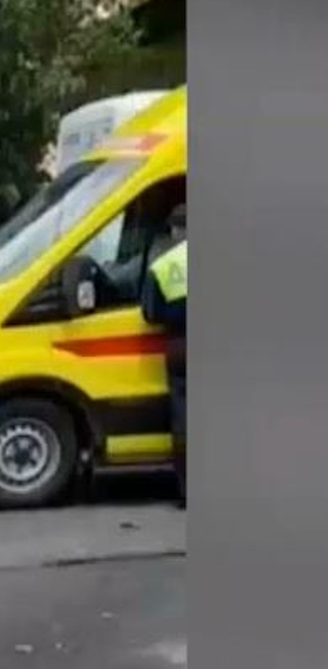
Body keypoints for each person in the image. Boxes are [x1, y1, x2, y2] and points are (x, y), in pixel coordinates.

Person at [140, 203, 187, 508]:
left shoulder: (163, 265)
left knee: (184, 419)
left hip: (182, 347)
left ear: (173, 230)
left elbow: (150, 314)